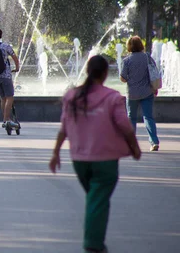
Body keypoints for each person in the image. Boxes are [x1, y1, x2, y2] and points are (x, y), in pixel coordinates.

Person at [49, 55, 141, 253]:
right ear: (106, 73)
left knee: (95, 198)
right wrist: (135, 147)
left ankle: (95, 240)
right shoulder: (112, 97)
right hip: (105, 161)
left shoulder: (72, 96)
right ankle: (93, 243)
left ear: (88, 71)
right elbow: (125, 126)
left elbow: (63, 128)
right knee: (98, 200)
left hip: (79, 160)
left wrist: (55, 153)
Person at [120, 36, 160, 151]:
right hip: (147, 92)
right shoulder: (147, 57)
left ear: (129, 46)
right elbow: (154, 72)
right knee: (148, 117)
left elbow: (123, 78)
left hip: (132, 94)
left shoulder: (126, 61)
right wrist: (155, 87)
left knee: (131, 118)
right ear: (140, 45)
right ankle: (154, 142)